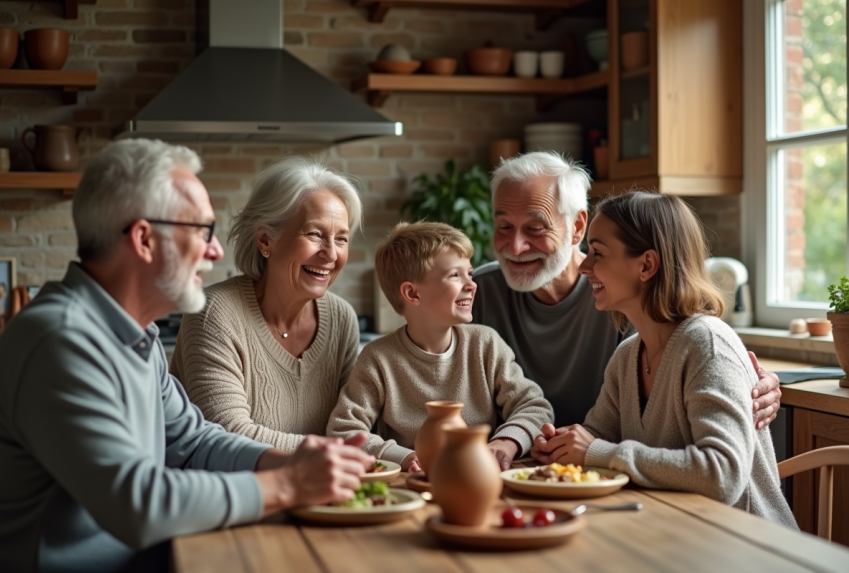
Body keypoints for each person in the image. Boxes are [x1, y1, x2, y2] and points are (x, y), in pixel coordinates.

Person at [0, 140, 373, 573]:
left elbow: (193, 442)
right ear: (145, 239)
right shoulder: (60, 342)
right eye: (200, 232)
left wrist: (287, 461)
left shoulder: (135, 337)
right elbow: (137, 505)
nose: (216, 252)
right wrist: (287, 484)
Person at [531, 191, 796, 528]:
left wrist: (596, 451)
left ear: (647, 265)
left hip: (749, 546)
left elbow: (722, 475)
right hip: (675, 531)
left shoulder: (707, 343)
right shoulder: (627, 356)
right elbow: (597, 435)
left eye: (597, 253)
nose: (584, 266)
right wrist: (561, 447)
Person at [472, 151, 782, 428]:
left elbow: (697, 346)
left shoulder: (624, 289)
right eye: (504, 227)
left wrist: (754, 383)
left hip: (613, 470)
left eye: (535, 228)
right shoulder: (475, 292)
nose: (514, 246)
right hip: (527, 462)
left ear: (577, 227)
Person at [327, 222, 554, 472]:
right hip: (409, 483)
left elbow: (535, 407)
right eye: (455, 275)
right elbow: (344, 430)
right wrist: (402, 457)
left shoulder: (486, 344)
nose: (472, 284)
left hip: (480, 476)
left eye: (470, 272)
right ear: (412, 294)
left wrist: (506, 442)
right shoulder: (378, 359)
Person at [170, 157, 362, 451]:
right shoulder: (214, 312)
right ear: (265, 240)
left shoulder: (341, 319)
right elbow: (227, 434)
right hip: (232, 492)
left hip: (322, 490)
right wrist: (335, 452)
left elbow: (352, 428)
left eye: (342, 239)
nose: (331, 254)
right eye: (314, 234)